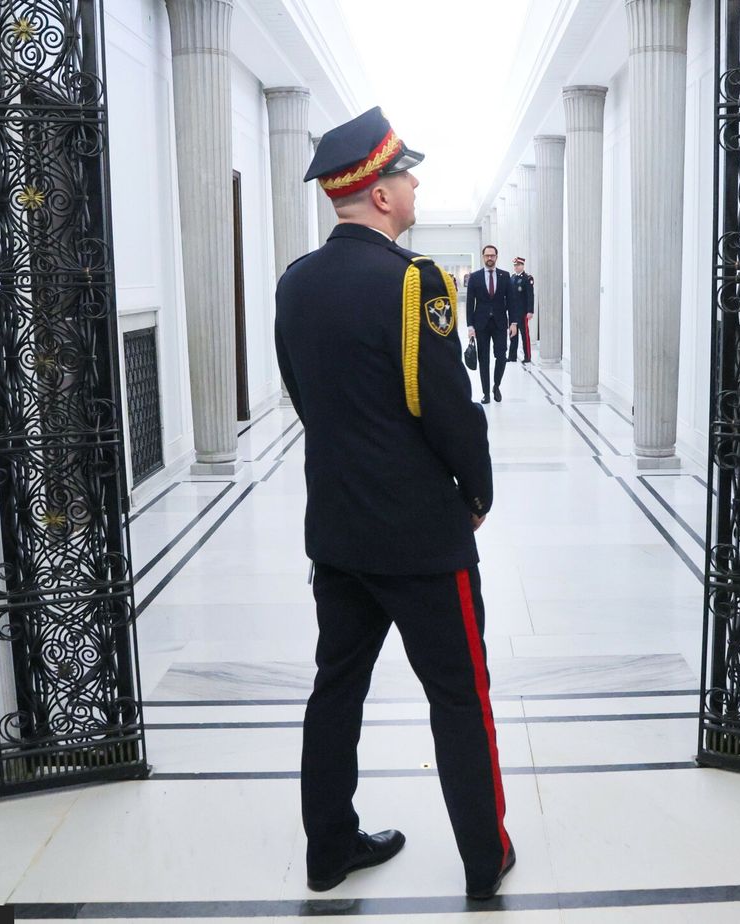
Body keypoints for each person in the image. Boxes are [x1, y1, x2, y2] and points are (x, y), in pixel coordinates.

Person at [274, 106, 516, 901]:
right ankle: (485, 861)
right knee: (459, 695)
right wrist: (474, 491)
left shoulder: (295, 284)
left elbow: (307, 398)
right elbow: (449, 408)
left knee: (335, 688)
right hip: (419, 539)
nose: (414, 185)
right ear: (379, 194)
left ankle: (328, 850)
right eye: (405, 175)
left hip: (338, 532)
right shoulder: (416, 284)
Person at [466, 245, 515, 403]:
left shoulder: (505, 276)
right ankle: (486, 393)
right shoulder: (475, 277)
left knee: (501, 356)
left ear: (496, 257)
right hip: (481, 324)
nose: (489, 258)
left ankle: (496, 385)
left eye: (492, 255)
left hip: (500, 323)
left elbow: (512, 301)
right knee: (483, 359)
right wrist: (470, 326)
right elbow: (469, 303)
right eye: (487, 255)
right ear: (483, 257)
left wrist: (513, 322)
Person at [506, 257, 534, 364]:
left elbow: (530, 296)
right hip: (513, 312)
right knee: (513, 334)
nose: (516, 267)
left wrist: (530, 311)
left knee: (524, 334)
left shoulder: (527, 278)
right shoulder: (512, 278)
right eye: (515, 265)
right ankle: (512, 356)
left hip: (523, 312)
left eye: (518, 265)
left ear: (522, 266)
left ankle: (527, 356)